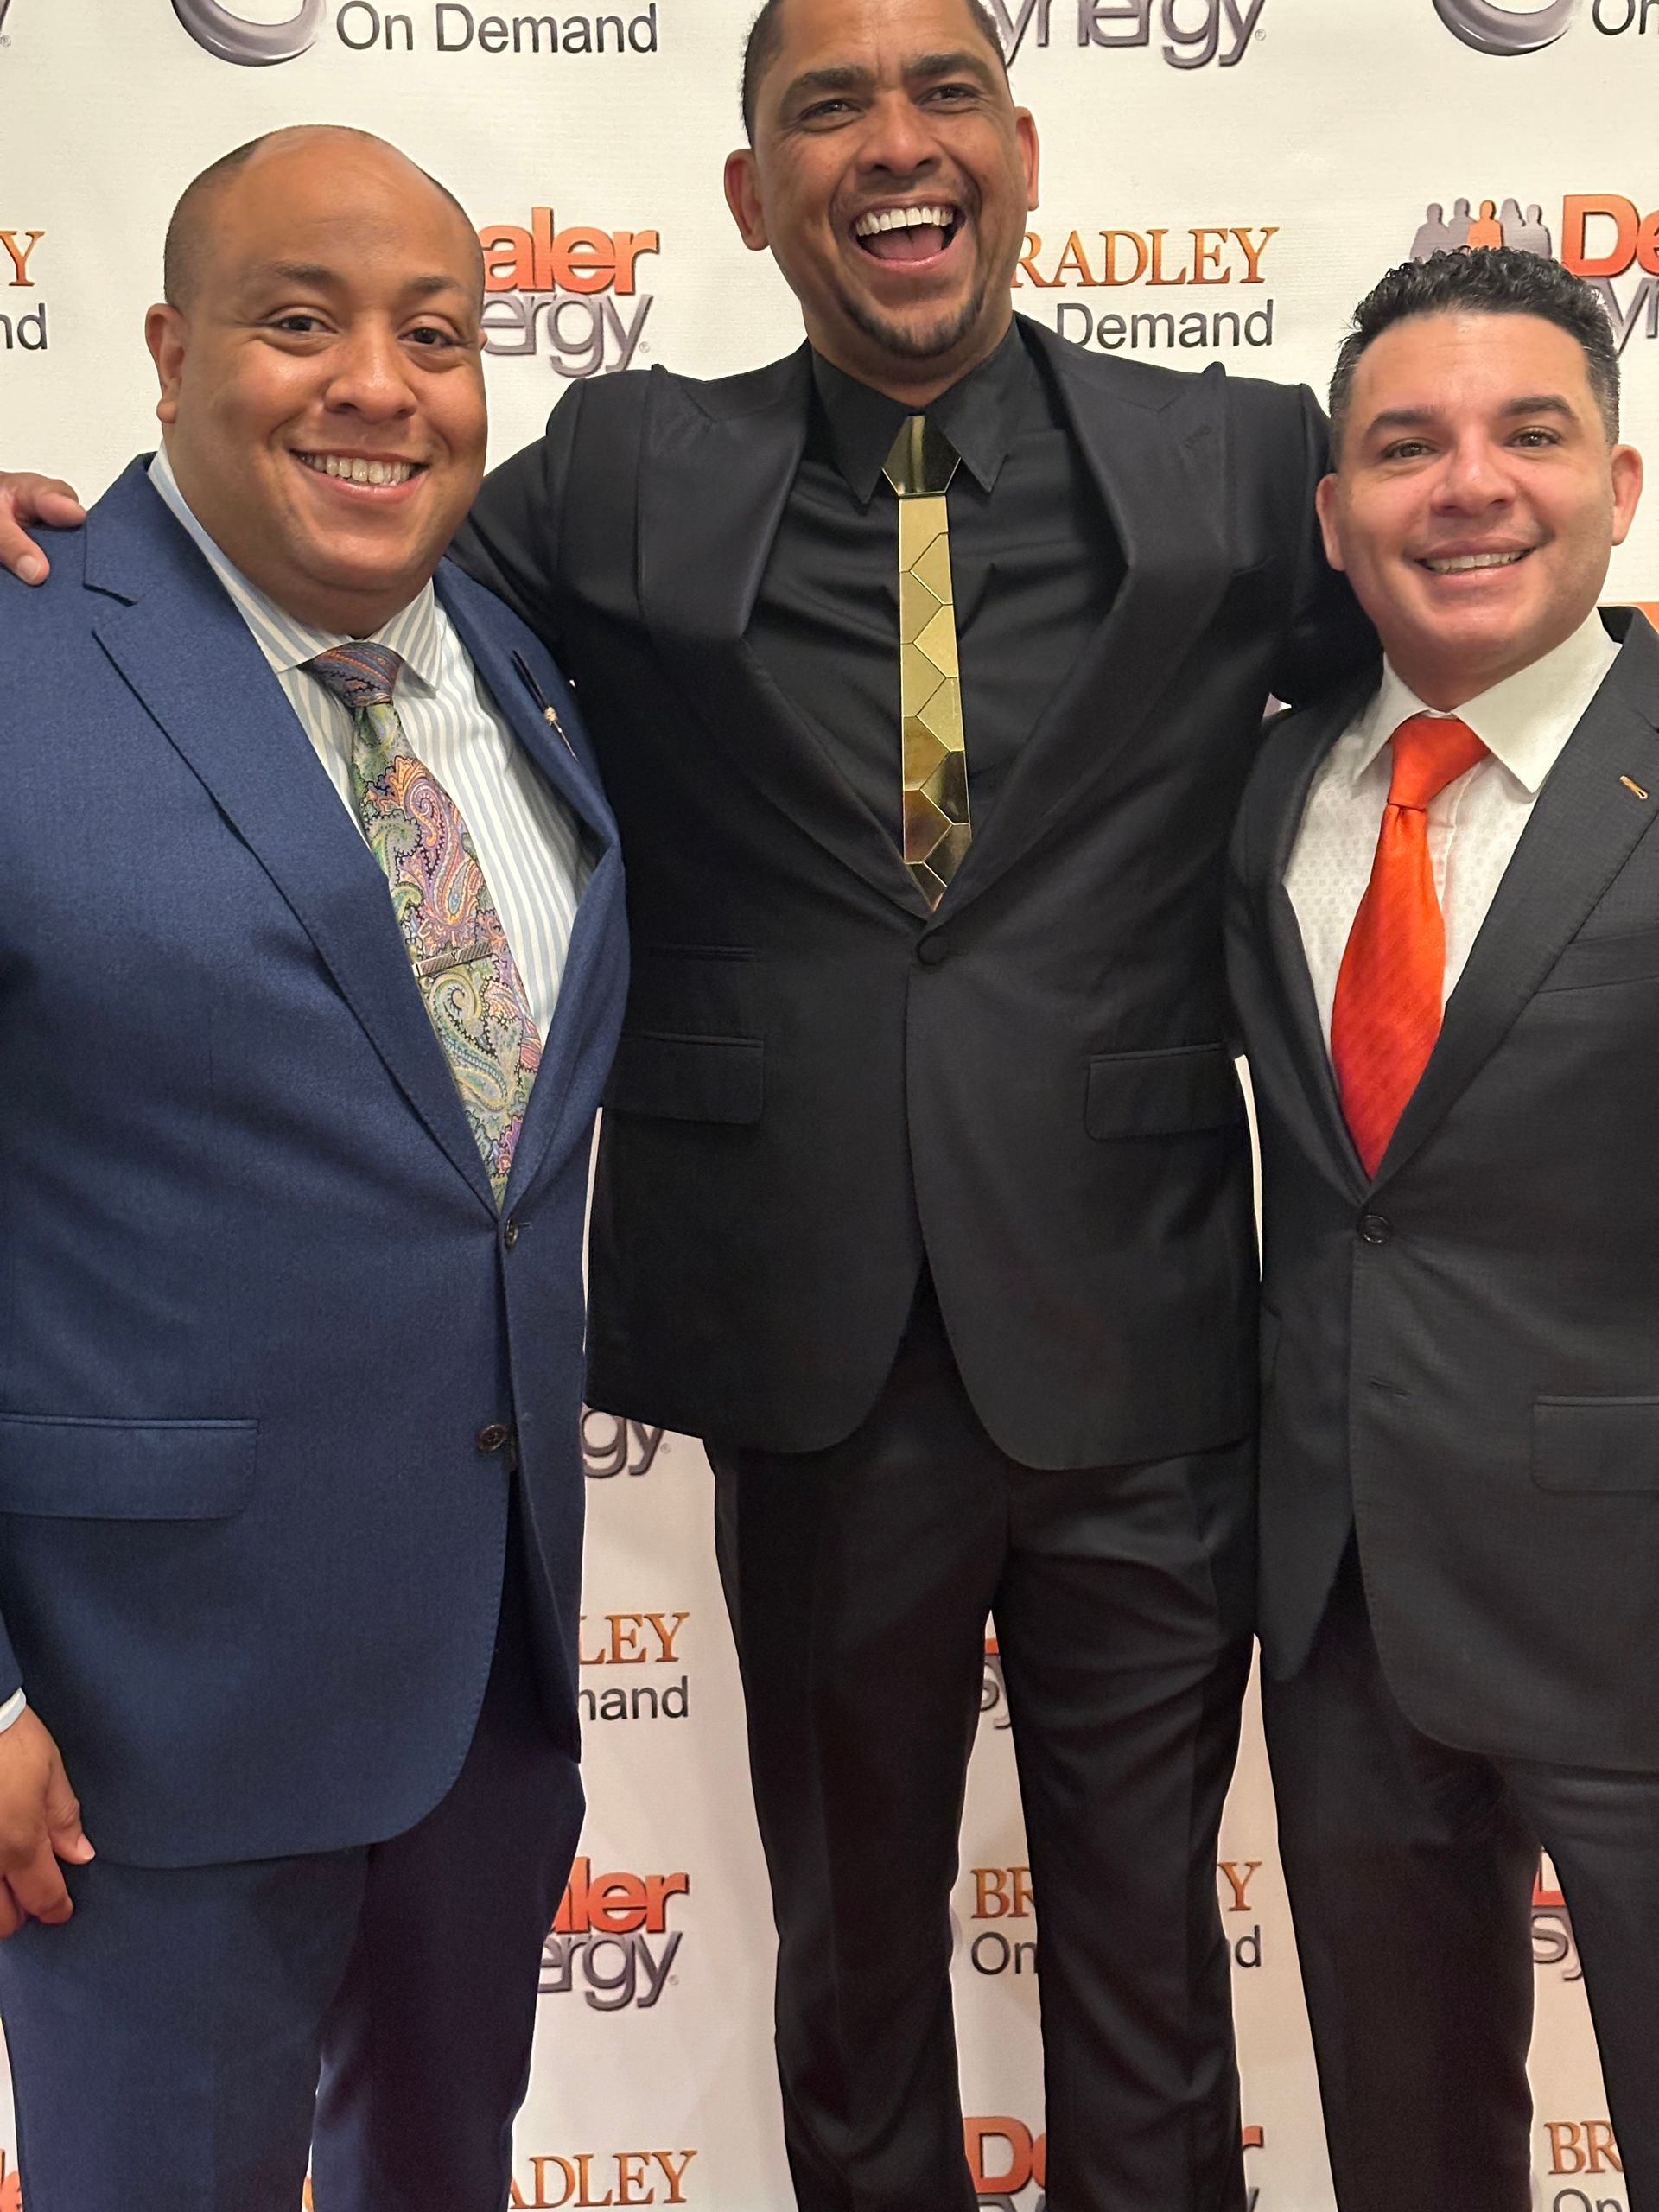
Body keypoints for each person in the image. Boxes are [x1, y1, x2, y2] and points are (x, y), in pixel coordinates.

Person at [0, 3, 1370, 2202]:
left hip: (1145, 1335)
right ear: (749, 196)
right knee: (845, 1967)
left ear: (1026, 151)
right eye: (825, 106)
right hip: (809, 1352)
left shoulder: (1231, 458)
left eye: (943, 98)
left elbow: (1449, 625)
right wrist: (73, 541)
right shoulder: (627, 474)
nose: (892, 146)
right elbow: (330, 530)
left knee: (1153, 1962)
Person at [0, 124, 624, 2211]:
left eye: (436, 335)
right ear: (166, 351)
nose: (380, 382)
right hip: (134, 1723)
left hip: (485, 1696)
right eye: (301, 321)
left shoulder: (519, 667)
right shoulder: (18, 657)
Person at [1225, 245, 1657, 2210]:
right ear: (1336, 513)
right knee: (1411, 2163)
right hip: (1344, 1613)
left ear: (1623, 482)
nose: (1467, 484)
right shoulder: (1265, 789)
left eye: (1529, 433)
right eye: (1406, 446)